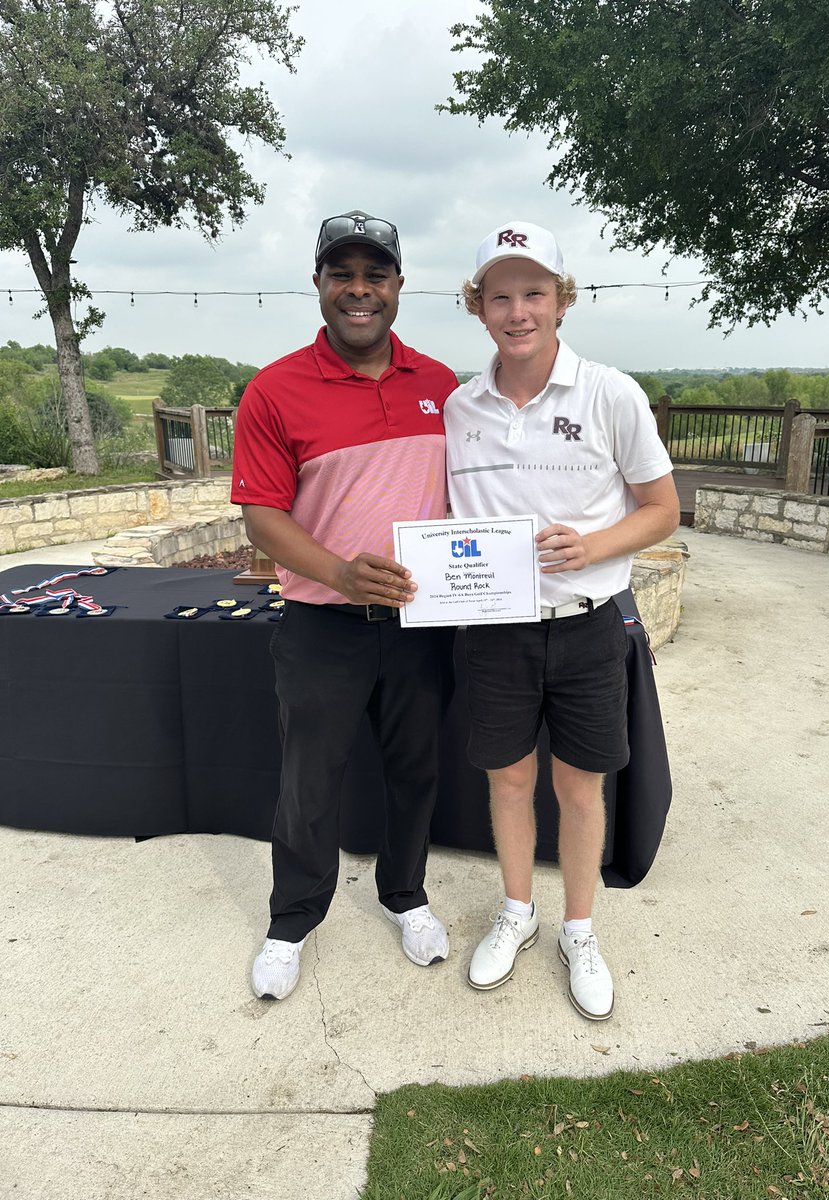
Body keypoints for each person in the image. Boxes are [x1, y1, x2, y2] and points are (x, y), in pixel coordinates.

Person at [444, 221, 679, 1020]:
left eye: (534, 293)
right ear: (478, 308)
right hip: (496, 630)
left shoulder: (612, 393)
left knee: (580, 788)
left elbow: (662, 510)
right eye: (500, 295)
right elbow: (450, 515)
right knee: (509, 780)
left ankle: (579, 930)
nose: (518, 311)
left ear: (561, 300)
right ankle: (519, 911)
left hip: (587, 626)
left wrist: (596, 545)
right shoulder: (459, 407)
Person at [231, 209, 458, 1001]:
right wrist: (338, 570)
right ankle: (292, 919)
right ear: (320, 285)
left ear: (398, 287)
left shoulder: (439, 386)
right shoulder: (274, 390)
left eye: (375, 276)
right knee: (309, 782)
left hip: (421, 627)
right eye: (342, 275)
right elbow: (262, 515)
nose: (359, 290)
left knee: (416, 773)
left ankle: (406, 897)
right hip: (321, 627)